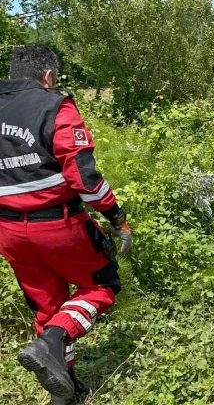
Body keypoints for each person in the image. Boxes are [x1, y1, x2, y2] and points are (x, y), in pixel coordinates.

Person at [0, 45, 132, 404]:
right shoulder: (54, 105)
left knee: (47, 306)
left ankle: (66, 392)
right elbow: (84, 178)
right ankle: (54, 341)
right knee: (103, 286)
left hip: (8, 231)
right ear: (48, 77)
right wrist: (116, 217)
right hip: (57, 225)